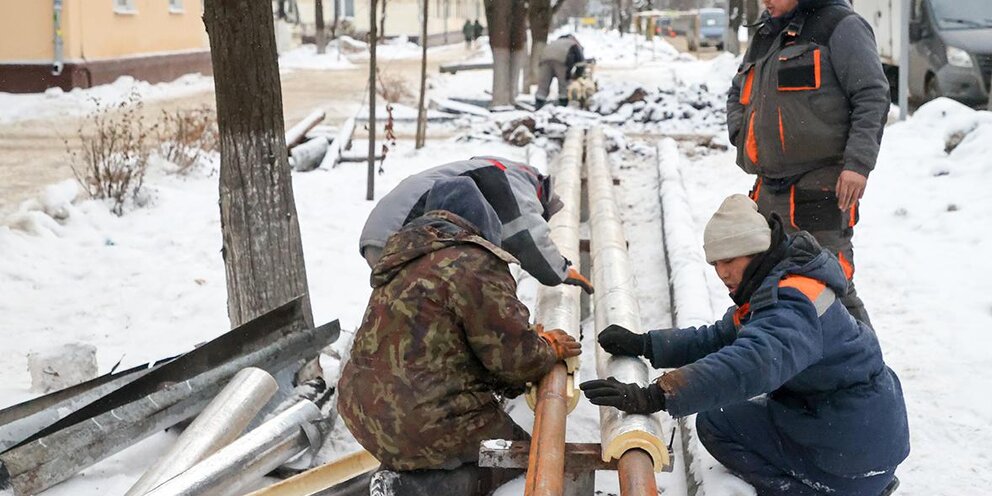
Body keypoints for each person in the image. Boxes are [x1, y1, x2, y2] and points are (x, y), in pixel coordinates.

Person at [581, 194, 909, 496]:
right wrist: (645, 344)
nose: (722, 273)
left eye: (729, 260)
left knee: (716, 423)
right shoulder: (777, 284)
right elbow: (717, 338)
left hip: (852, 447)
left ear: (756, 250)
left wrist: (654, 395)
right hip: (859, 432)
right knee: (725, 412)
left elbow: (748, 363)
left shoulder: (790, 303)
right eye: (715, 264)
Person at [339, 177, 582, 495]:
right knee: (519, 457)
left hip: (364, 414)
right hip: (420, 420)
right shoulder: (474, 263)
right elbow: (516, 361)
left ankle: (410, 474)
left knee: (434, 445)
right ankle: (412, 488)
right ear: (482, 221)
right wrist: (546, 347)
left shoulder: (404, 261)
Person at [726, 0, 891, 325]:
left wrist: (858, 165)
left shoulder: (840, 26)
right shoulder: (767, 31)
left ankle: (867, 371)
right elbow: (737, 91)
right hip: (768, 191)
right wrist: (740, 129)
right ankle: (786, 370)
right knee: (767, 289)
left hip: (819, 189)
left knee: (829, 289)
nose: (765, 1)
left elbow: (872, 95)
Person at [359, 156, 594, 293]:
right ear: (541, 191)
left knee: (413, 308)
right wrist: (559, 271)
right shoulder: (515, 179)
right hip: (399, 230)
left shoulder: (488, 168)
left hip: (384, 231)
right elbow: (525, 236)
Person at [536, 34, 585, 108]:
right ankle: (562, 104)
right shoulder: (574, 44)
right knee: (563, 85)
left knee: (543, 84)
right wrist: (576, 76)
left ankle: (539, 104)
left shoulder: (555, 42)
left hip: (545, 58)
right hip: (562, 60)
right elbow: (581, 64)